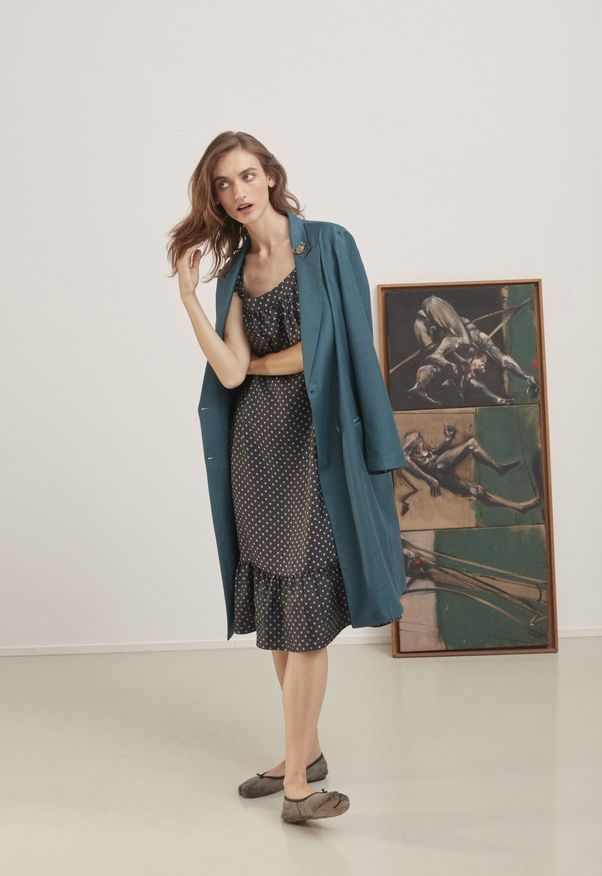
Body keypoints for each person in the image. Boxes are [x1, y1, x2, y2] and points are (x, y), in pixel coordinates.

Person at [167, 130, 405, 824]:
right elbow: (230, 372)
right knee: (278, 610)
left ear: (271, 176)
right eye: (222, 184)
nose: (236, 192)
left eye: (246, 175)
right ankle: (307, 752)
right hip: (256, 449)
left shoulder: (328, 244)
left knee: (306, 619)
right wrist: (189, 298)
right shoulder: (234, 273)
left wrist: (267, 365)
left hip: (317, 444)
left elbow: (337, 347)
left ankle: (296, 782)